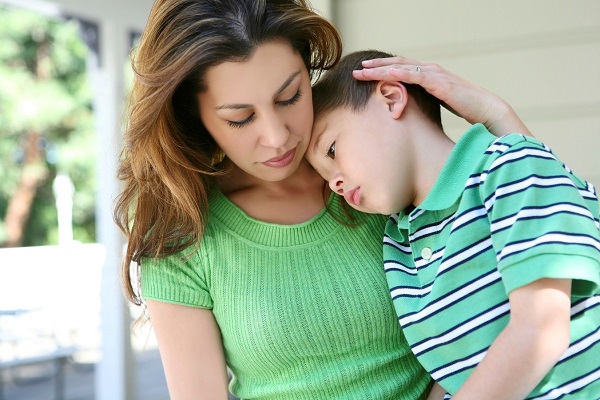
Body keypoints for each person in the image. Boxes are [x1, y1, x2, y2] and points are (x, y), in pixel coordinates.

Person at [113, 1, 538, 398]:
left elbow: (545, 234)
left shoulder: (374, 174)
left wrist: (496, 114)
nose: (278, 137)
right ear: (195, 116)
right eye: (240, 118)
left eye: (290, 96)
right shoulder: (184, 231)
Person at [305, 49, 600, 399]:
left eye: (332, 151)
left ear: (390, 97)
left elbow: (541, 330)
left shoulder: (510, 168)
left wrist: (496, 112)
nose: (334, 183)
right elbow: (453, 372)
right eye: (325, 178)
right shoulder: (399, 243)